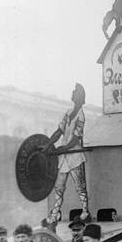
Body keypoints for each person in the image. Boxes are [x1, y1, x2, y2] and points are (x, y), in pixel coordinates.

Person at [41, 83, 89, 230]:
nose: (72, 94)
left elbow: (76, 138)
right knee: (59, 187)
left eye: (75, 92)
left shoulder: (81, 115)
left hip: (74, 156)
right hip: (64, 157)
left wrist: (63, 148)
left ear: (79, 97)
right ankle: (54, 215)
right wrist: (48, 144)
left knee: (80, 186)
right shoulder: (68, 113)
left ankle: (86, 211)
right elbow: (59, 131)